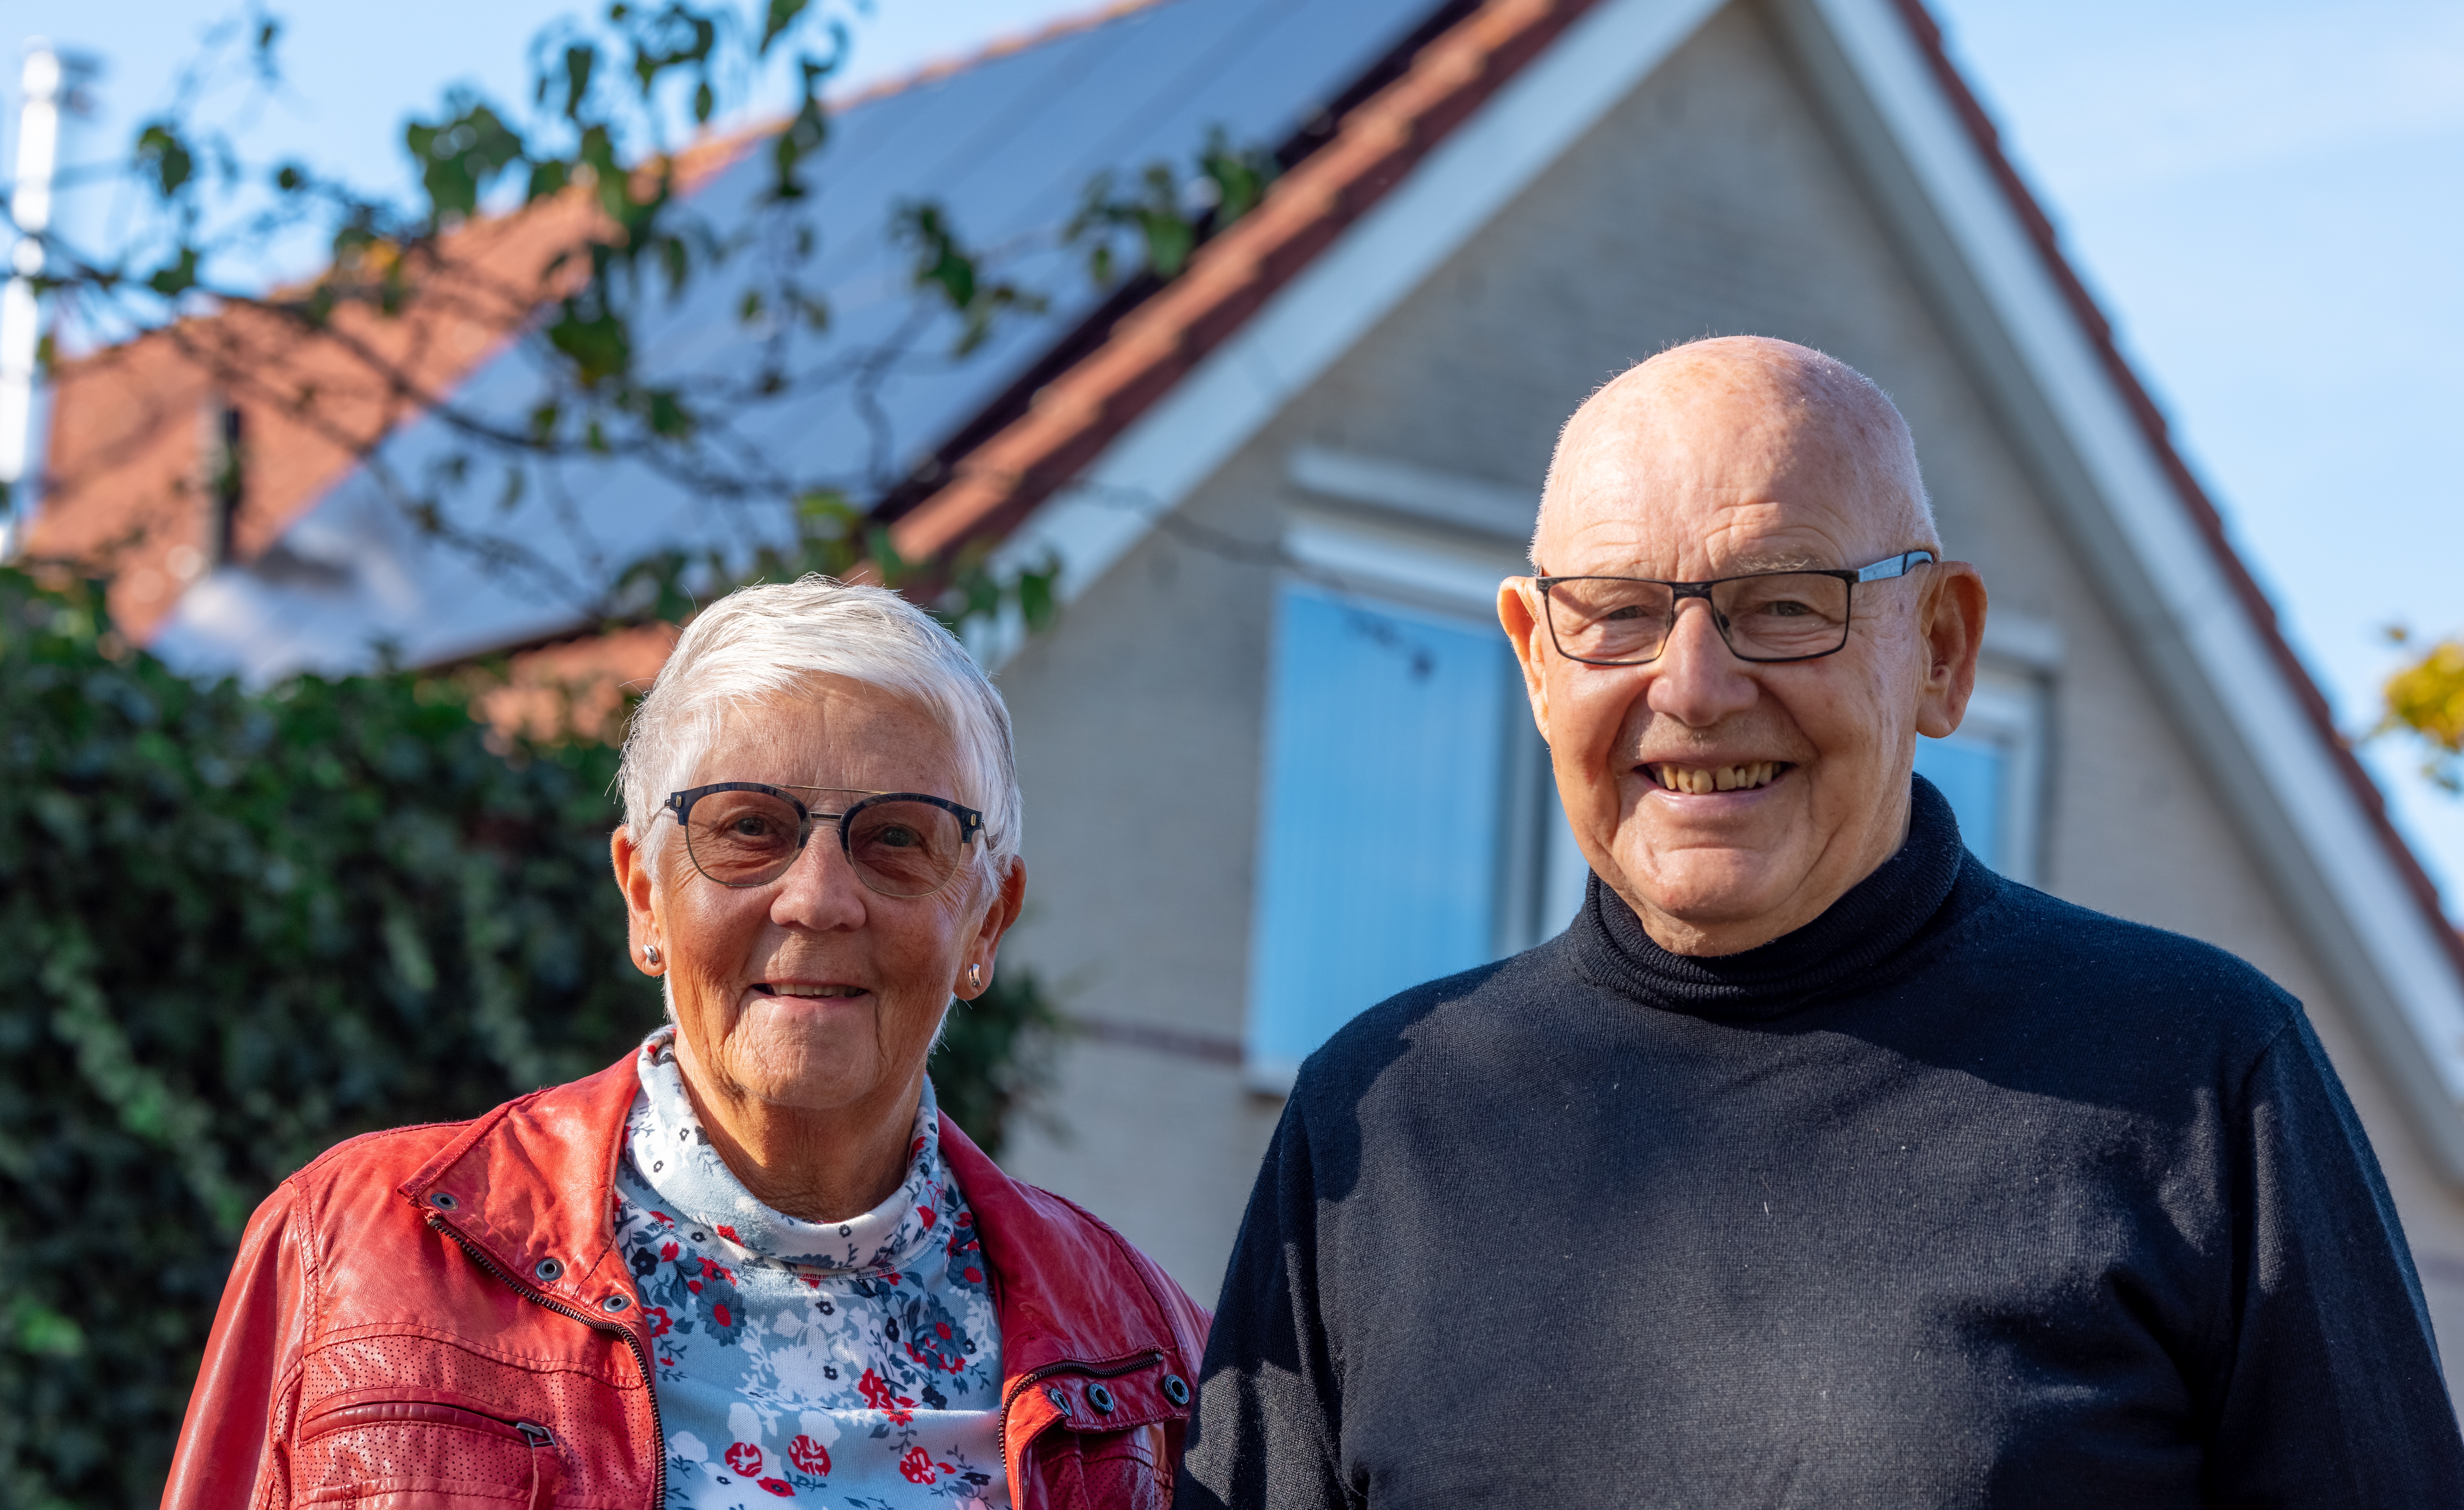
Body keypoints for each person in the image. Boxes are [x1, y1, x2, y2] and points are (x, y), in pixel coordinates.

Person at [1181, 337, 2464, 1507]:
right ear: (1534, 658)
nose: (1693, 687)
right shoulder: (1378, 1126)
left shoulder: (2196, 1078)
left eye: (1786, 603)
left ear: (1942, 651)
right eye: (1617, 613)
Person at [166, 576, 1207, 1510]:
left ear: (986, 925)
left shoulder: (1155, 1361)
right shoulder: (355, 1248)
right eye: (749, 828)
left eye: (898, 837)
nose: (817, 899)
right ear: (644, 898)